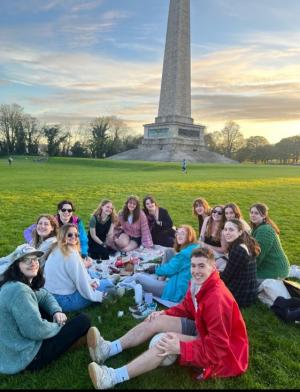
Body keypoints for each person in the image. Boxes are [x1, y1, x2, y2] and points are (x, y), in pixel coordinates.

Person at [86, 247, 249, 389]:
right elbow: (187, 307)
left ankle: (111, 378)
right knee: (155, 320)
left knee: (164, 341)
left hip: (225, 353)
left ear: (213, 267)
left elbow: (218, 348)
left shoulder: (217, 299)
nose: (196, 270)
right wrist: (164, 313)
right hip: (203, 329)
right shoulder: (196, 282)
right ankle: (107, 349)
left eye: (202, 266)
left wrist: (181, 347)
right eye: (193, 266)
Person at [0, 243, 90, 375]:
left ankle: (70, 341)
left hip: (12, 350)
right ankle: (74, 342)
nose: (33, 263)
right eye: (26, 260)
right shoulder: (20, 291)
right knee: (83, 320)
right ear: (16, 265)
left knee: (43, 308)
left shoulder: (13, 283)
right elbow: (35, 331)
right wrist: (58, 325)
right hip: (26, 358)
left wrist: (56, 311)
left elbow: (44, 295)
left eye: (35, 259)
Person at [132, 225, 199, 306]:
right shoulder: (194, 247)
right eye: (178, 233)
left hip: (175, 290)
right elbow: (174, 265)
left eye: (183, 234)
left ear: (189, 236)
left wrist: (155, 269)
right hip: (183, 283)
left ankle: (148, 303)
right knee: (169, 251)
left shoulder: (184, 254)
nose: (179, 236)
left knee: (137, 277)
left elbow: (169, 269)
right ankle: (160, 281)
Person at [44, 224, 104, 312]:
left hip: (49, 296)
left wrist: (90, 282)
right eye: (70, 235)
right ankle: (110, 281)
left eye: (76, 235)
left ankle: (100, 279)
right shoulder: (70, 252)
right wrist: (97, 295)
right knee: (104, 285)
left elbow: (78, 273)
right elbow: (81, 281)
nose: (74, 237)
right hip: (63, 301)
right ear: (62, 235)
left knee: (92, 276)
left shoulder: (56, 247)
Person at [23, 199, 89, 258]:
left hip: (72, 249)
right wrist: (32, 241)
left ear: (72, 212)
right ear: (59, 211)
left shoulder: (77, 221)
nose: (66, 212)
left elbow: (83, 239)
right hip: (54, 250)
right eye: (63, 210)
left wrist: (83, 253)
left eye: (69, 210)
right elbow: (27, 231)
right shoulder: (51, 221)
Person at [221, 219, 260, 307]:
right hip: (249, 289)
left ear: (240, 232)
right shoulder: (244, 243)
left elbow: (226, 276)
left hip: (241, 294)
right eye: (225, 229)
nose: (227, 232)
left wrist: (214, 279)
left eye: (231, 230)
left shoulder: (239, 249)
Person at [249, 203, 290, 280]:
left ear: (264, 216)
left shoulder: (265, 230)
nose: (253, 215)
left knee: (246, 281)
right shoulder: (256, 228)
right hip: (265, 265)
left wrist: (247, 269)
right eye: (251, 212)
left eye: (256, 213)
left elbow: (258, 255)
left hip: (275, 270)